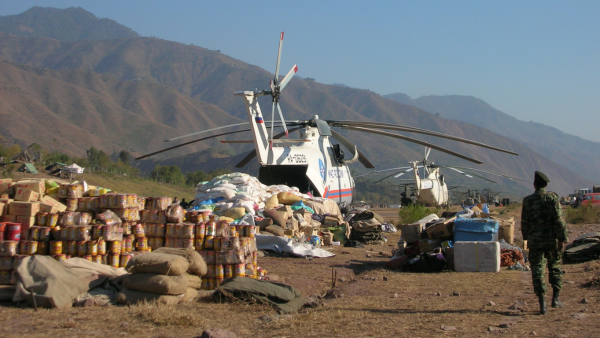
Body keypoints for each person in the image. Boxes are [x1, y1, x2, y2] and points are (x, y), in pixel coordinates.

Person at [521, 171, 568, 315]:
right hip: (551, 239)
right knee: (555, 268)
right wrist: (562, 239)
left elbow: (524, 223)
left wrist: (527, 238)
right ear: (545, 185)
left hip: (535, 240)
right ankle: (556, 299)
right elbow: (559, 221)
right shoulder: (552, 198)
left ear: (534, 185)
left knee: (537, 271)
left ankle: (543, 304)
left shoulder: (528, 200)